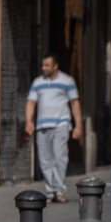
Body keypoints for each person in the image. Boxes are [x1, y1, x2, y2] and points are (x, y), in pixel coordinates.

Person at [25, 53, 82, 203]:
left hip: (60, 125)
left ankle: (59, 190)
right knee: (45, 160)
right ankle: (50, 191)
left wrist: (78, 126)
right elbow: (31, 102)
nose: (43, 68)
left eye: (47, 65)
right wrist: (28, 121)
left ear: (55, 66)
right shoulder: (37, 82)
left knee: (59, 157)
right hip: (42, 126)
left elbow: (74, 103)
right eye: (42, 65)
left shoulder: (67, 81)